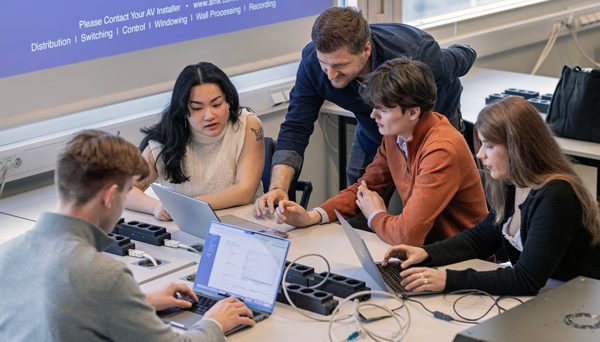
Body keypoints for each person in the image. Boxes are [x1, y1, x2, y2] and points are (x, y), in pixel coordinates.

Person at [0, 130, 255, 342]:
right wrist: (214, 322)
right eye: (125, 193)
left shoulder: (6, 254)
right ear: (110, 196)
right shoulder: (103, 276)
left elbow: (65, 307)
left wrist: (138, 303)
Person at [254, 6, 476, 216]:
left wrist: (467, 50)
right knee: (358, 201)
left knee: (427, 206)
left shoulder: (418, 54)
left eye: (340, 66)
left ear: (366, 50)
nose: (330, 75)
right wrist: (278, 188)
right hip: (373, 130)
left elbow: (463, 55)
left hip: (429, 128)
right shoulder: (313, 63)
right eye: (325, 64)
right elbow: (296, 126)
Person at [385, 97, 600, 295]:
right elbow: (481, 239)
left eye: (490, 146)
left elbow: (526, 280)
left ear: (519, 148)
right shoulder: (514, 183)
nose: (480, 154)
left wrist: (448, 280)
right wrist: (426, 254)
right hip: (556, 292)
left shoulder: (555, 196)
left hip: (580, 298)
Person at [269, 58, 487, 246]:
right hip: (425, 254)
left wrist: (376, 215)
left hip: (461, 262)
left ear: (413, 112)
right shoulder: (396, 135)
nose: (373, 116)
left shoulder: (441, 148)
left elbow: (407, 235)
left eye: (382, 110)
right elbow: (364, 189)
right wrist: (311, 216)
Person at [127, 62, 265, 221]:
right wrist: (155, 206)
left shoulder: (247, 125)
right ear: (184, 110)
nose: (209, 115)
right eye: (197, 108)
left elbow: (244, 191)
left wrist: (186, 206)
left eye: (217, 104)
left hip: (244, 223)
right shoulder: (166, 140)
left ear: (228, 100)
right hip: (189, 226)